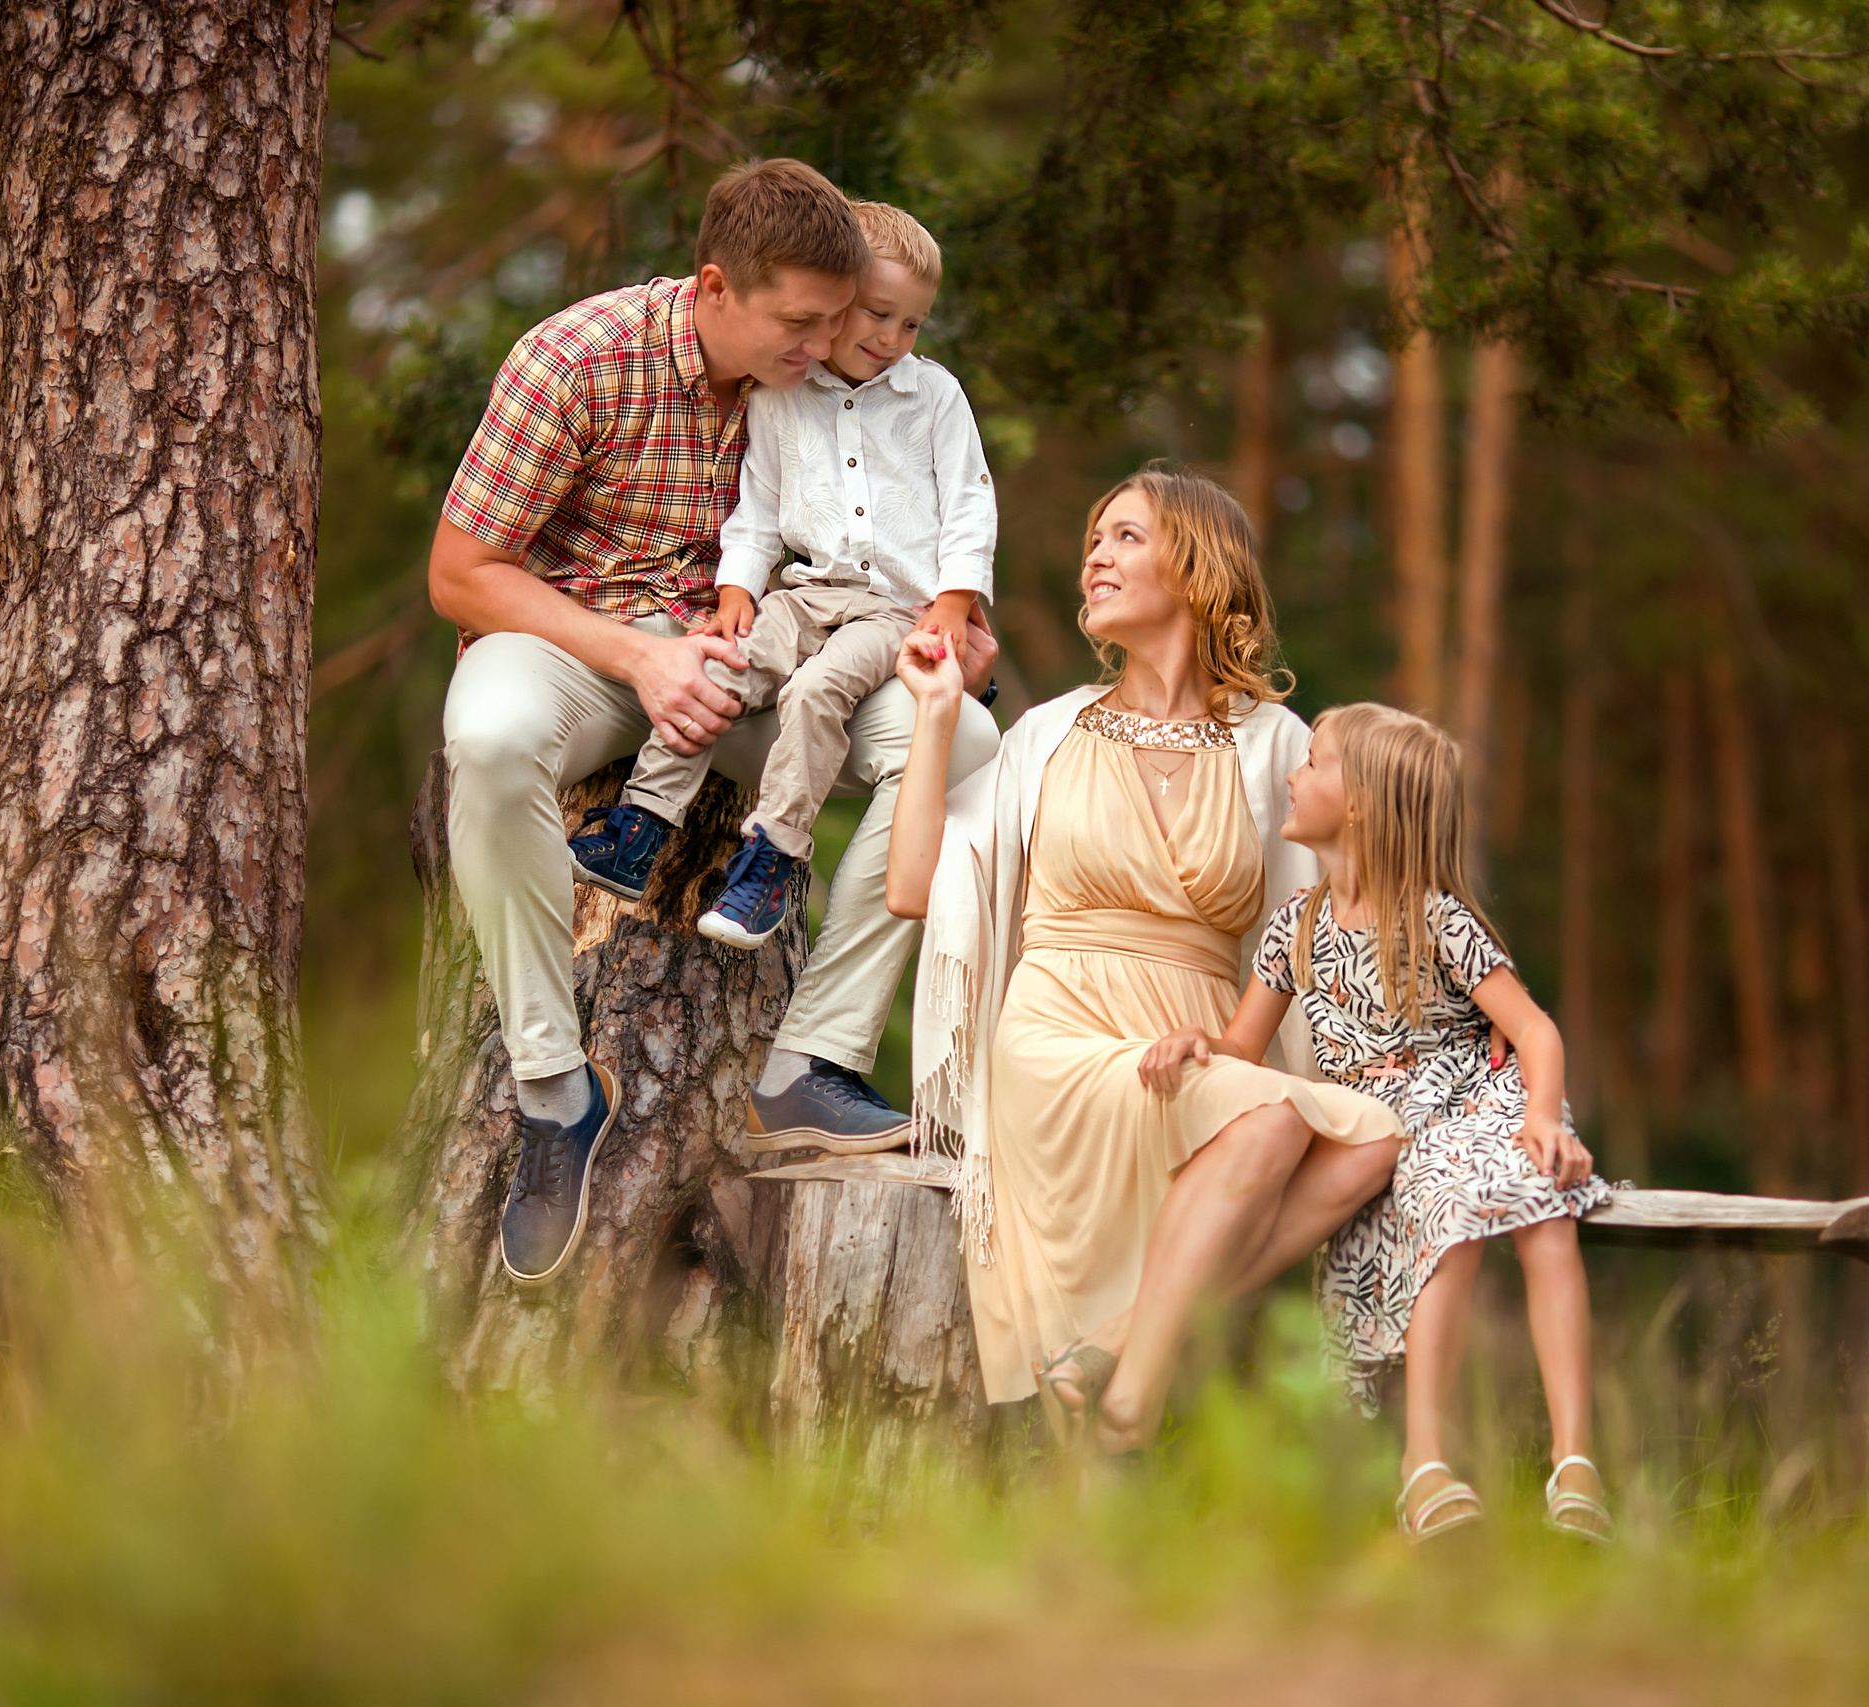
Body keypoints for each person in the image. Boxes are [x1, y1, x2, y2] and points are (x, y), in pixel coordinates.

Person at [431, 159, 999, 1289]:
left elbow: (913, 530)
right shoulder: (577, 360)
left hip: (760, 670)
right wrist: (636, 654)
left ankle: (810, 1061)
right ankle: (554, 1091)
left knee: (968, 756)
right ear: (713, 287)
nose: (828, 344)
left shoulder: (834, 378)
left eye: (843, 321)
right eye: (801, 322)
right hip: (587, 654)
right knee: (489, 745)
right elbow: (459, 574)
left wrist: (957, 634)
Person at [882, 466, 1403, 1439]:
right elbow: (913, 888)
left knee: (1373, 1133)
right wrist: (939, 713)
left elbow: (1332, 919)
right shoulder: (1045, 733)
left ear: (1197, 568)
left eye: (1124, 536)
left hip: (1202, 1047)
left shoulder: (1273, 742)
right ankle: (1129, 1397)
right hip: (1059, 1040)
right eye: (1093, 537)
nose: (1095, 555)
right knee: (1269, 1126)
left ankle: (1120, 1347)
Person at [1138, 704, 1615, 1543]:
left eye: (1313, 762)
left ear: (1357, 804)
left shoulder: (1433, 916)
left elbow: (1534, 1029)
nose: (1294, 772)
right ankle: (1424, 1464)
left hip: (1480, 1098)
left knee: (1541, 1211)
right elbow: (1243, 1046)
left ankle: (1576, 1463)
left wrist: (1544, 1118)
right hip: (1390, 1125)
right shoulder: (1299, 926)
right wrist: (1197, 1043)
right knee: (1448, 1212)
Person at [569, 198, 996, 986]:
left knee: (816, 691)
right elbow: (758, 507)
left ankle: (772, 857)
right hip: (804, 593)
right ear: (834, 306)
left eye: (912, 324)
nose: (892, 339)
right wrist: (735, 589)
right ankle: (640, 827)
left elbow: (971, 503)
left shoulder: (933, 397)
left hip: (891, 610)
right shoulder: (779, 399)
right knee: (723, 664)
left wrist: (953, 603)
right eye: (876, 314)